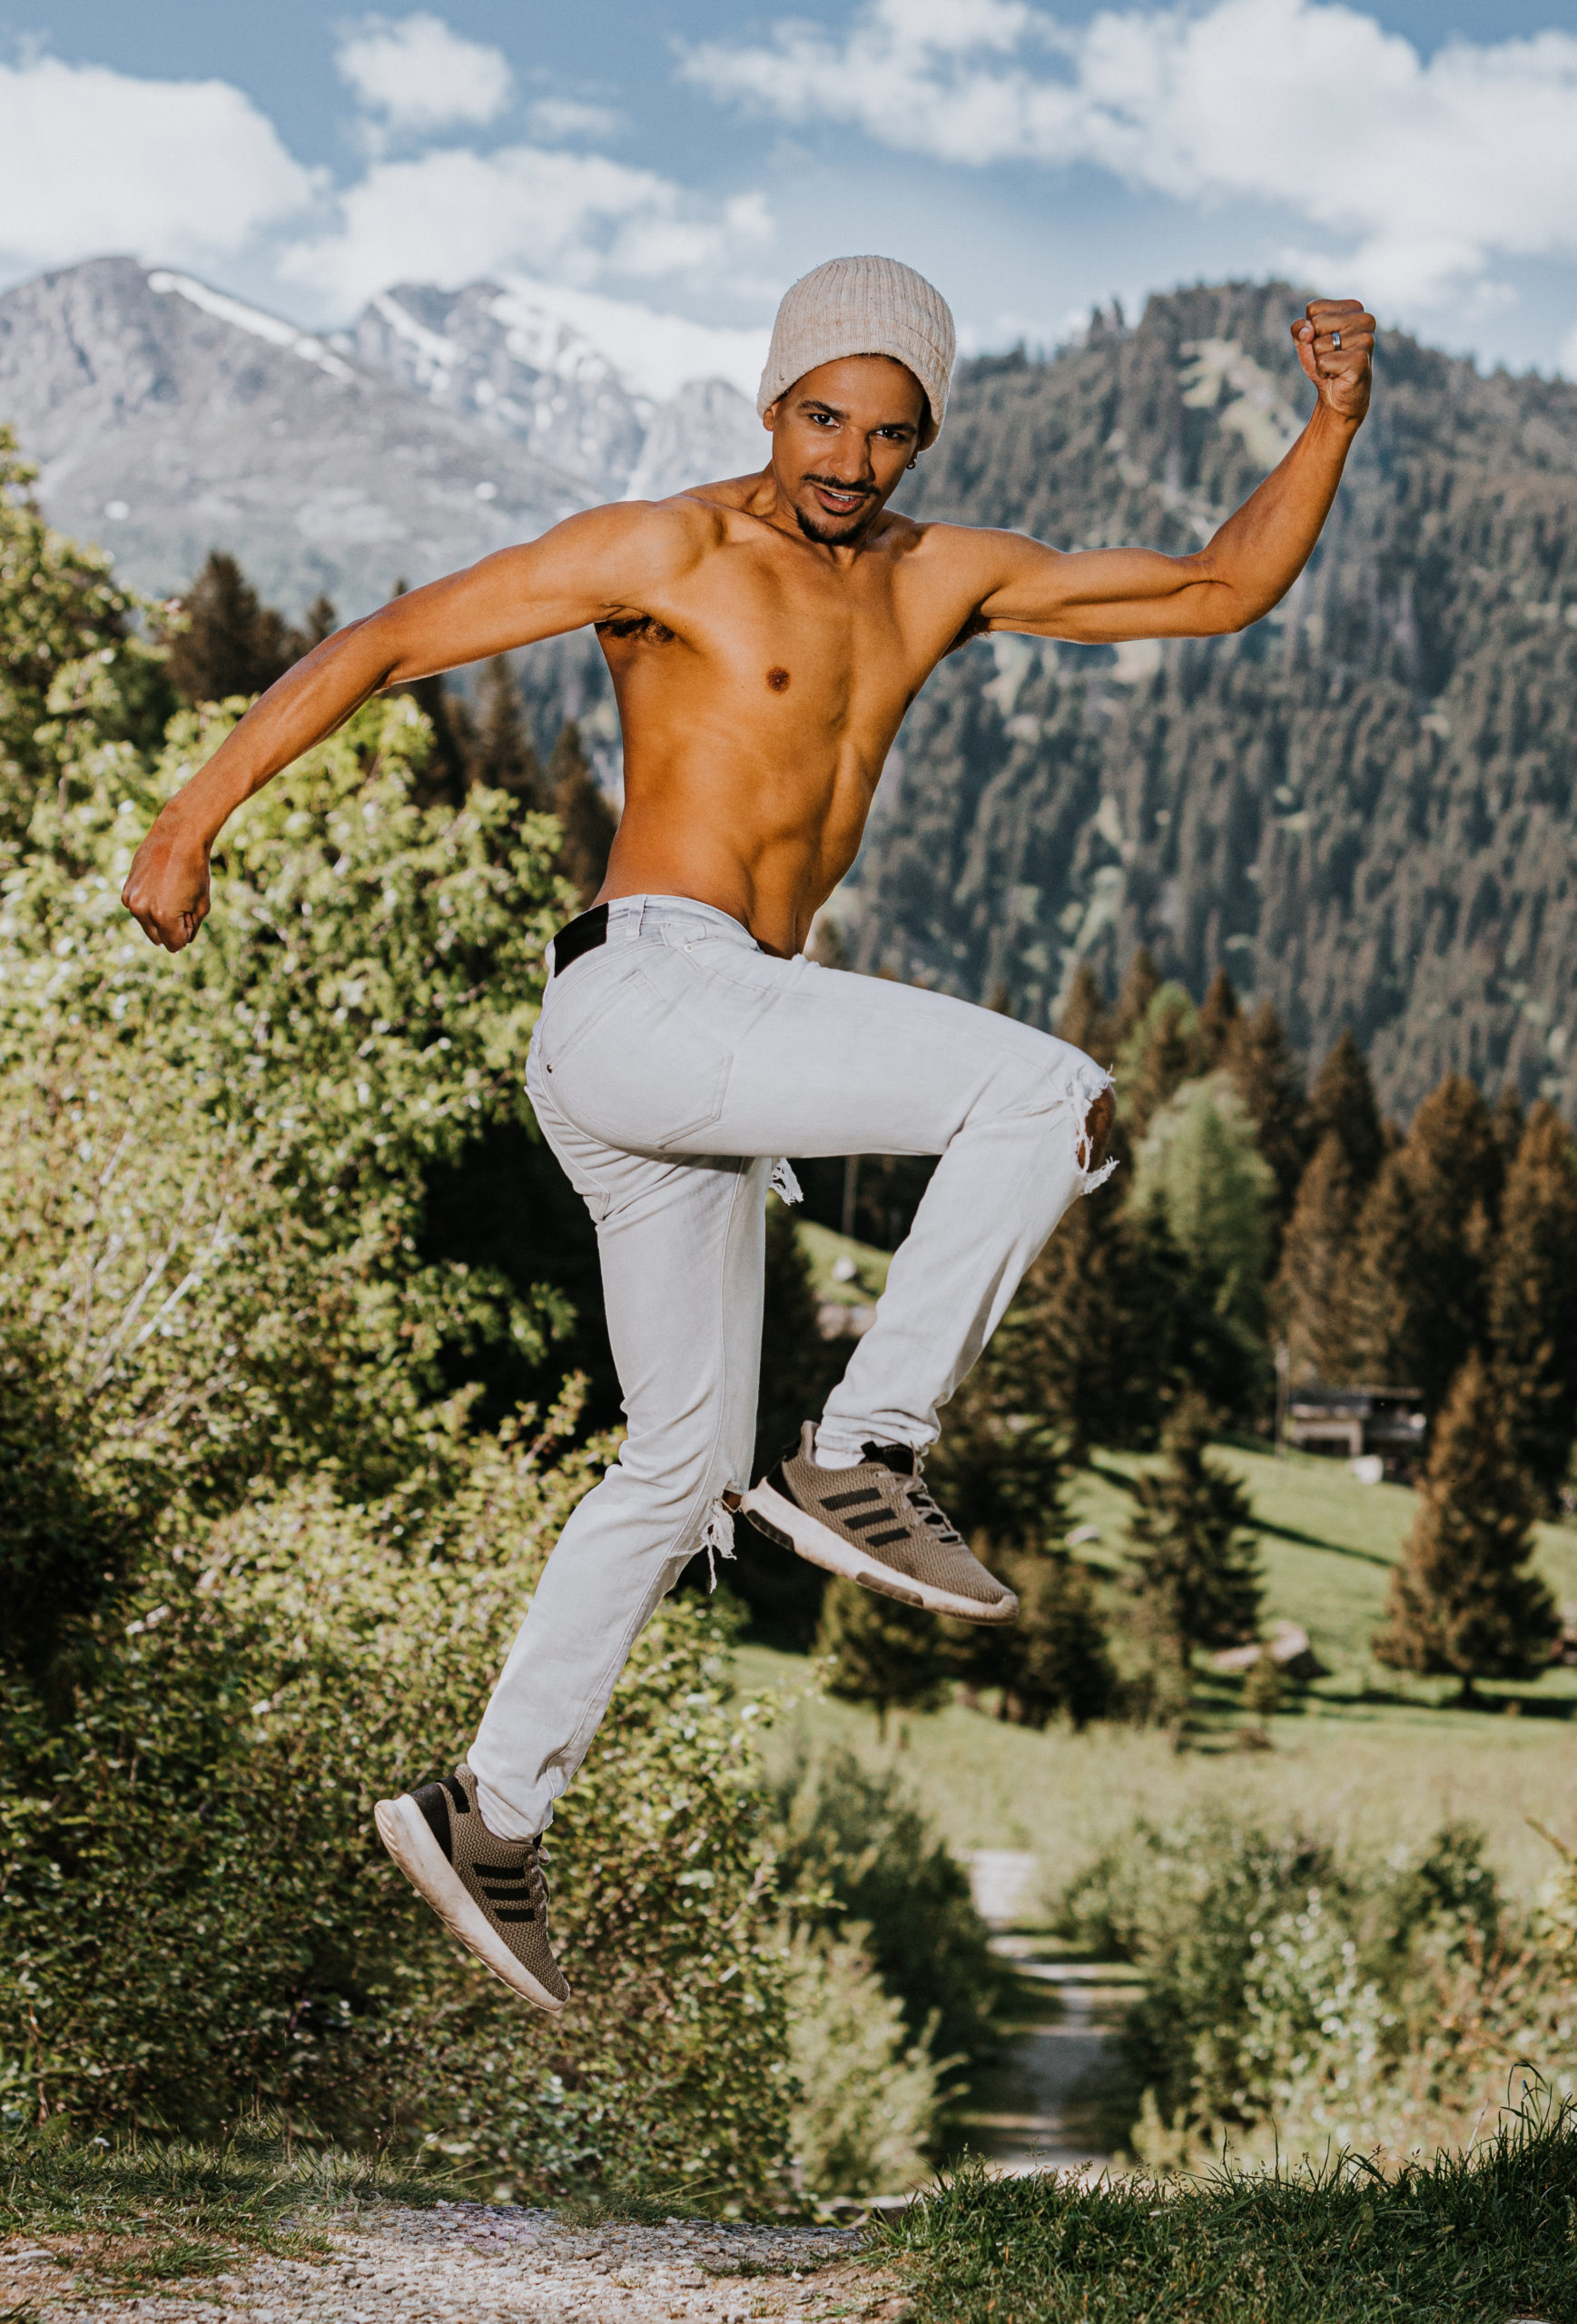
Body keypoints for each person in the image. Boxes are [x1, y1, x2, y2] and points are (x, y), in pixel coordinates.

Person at [122, 254, 1376, 2015]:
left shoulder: (942, 577)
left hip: (701, 1053)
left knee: (682, 1467)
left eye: (888, 434)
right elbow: (390, 638)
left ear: (923, 439)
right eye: (820, 419)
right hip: (650, 989)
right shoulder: (667, 549)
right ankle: (863, 1448)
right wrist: (190, 821)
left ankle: (490, 1808)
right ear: (770, 402)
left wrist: (1329, 420)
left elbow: (1218, 586)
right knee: (1045, 1092)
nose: (848, 461)